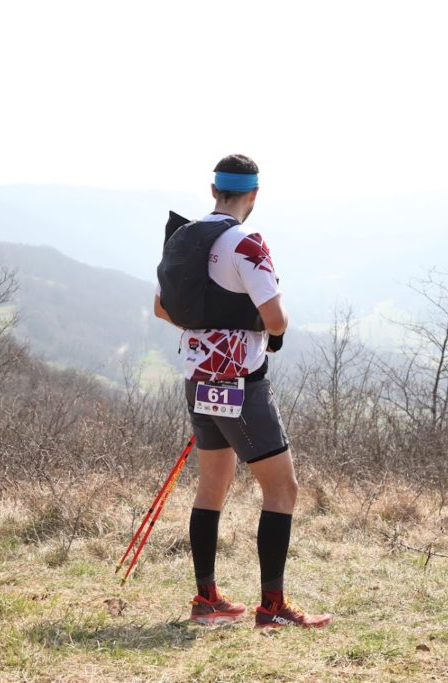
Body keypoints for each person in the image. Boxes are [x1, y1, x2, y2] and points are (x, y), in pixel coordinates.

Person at [154, 154, 332, 629]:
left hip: (198, 380)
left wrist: (212, 321)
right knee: (282, 490)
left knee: (211, 486)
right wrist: (265, 325)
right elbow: (274, 320)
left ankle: (206, 599)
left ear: (214, 190)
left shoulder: (184, 239)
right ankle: (272, 609)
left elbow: (160, 308)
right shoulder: (247, 243)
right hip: (241, 384)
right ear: (253, 195)